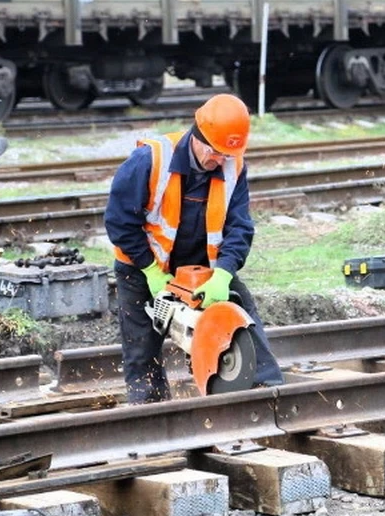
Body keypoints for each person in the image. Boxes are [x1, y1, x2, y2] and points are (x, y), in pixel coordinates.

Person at [104, 93, 284, 404]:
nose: (221, 161)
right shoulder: (150, 160)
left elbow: (239, 226)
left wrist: (224, 275)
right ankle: (149, 410)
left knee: (241, 313)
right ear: (198, 138)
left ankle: (265, 391)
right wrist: (150, 269)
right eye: (216, 153)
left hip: (201, 265)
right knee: (141, 347)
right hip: (142, 264)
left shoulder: (233, 165)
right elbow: (119, 221)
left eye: (227, 155)